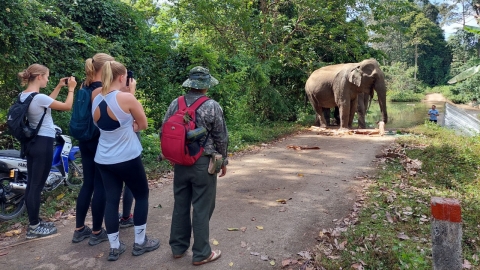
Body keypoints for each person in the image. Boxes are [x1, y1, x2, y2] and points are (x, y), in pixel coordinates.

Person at [92, 61, 159, 261]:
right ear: (122, 77)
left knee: (111, 200)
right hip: (127, 157)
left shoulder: (94, 96)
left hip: (103, 158)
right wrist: (132, 93)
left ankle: (114, 247)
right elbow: (143, 124)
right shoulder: (127, 98)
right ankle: (140, 243)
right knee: (142, 195)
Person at [161, 66, 228, 266]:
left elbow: (164, 130)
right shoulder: (212, 106)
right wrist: (223, 160)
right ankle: (201, 253)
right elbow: (221, 137)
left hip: (180, 162)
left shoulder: (176, 103)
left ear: (190, 84)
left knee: (181, 204)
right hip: (203, 163)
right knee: (201, 206)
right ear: (206, 85)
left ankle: (178, 248)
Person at [18, 64, 76, 239]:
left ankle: (35, 221)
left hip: (32, 143)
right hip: (43, 143)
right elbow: (66, 106)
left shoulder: (25, 96)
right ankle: (34, 227)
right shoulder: (38, 98)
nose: (48, 79)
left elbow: (46, 105)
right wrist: (71, 90)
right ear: (39, 77)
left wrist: (59, 86)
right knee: (36, 185)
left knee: (32, 184)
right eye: (47, 77)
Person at [71, 53, 112, 245]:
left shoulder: (83, 86)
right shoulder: (101, 90)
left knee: (88, 183)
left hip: (84, 139)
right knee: (100, 184)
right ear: (104, 69)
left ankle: (79, 229)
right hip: (98, 140)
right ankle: (97, 231)